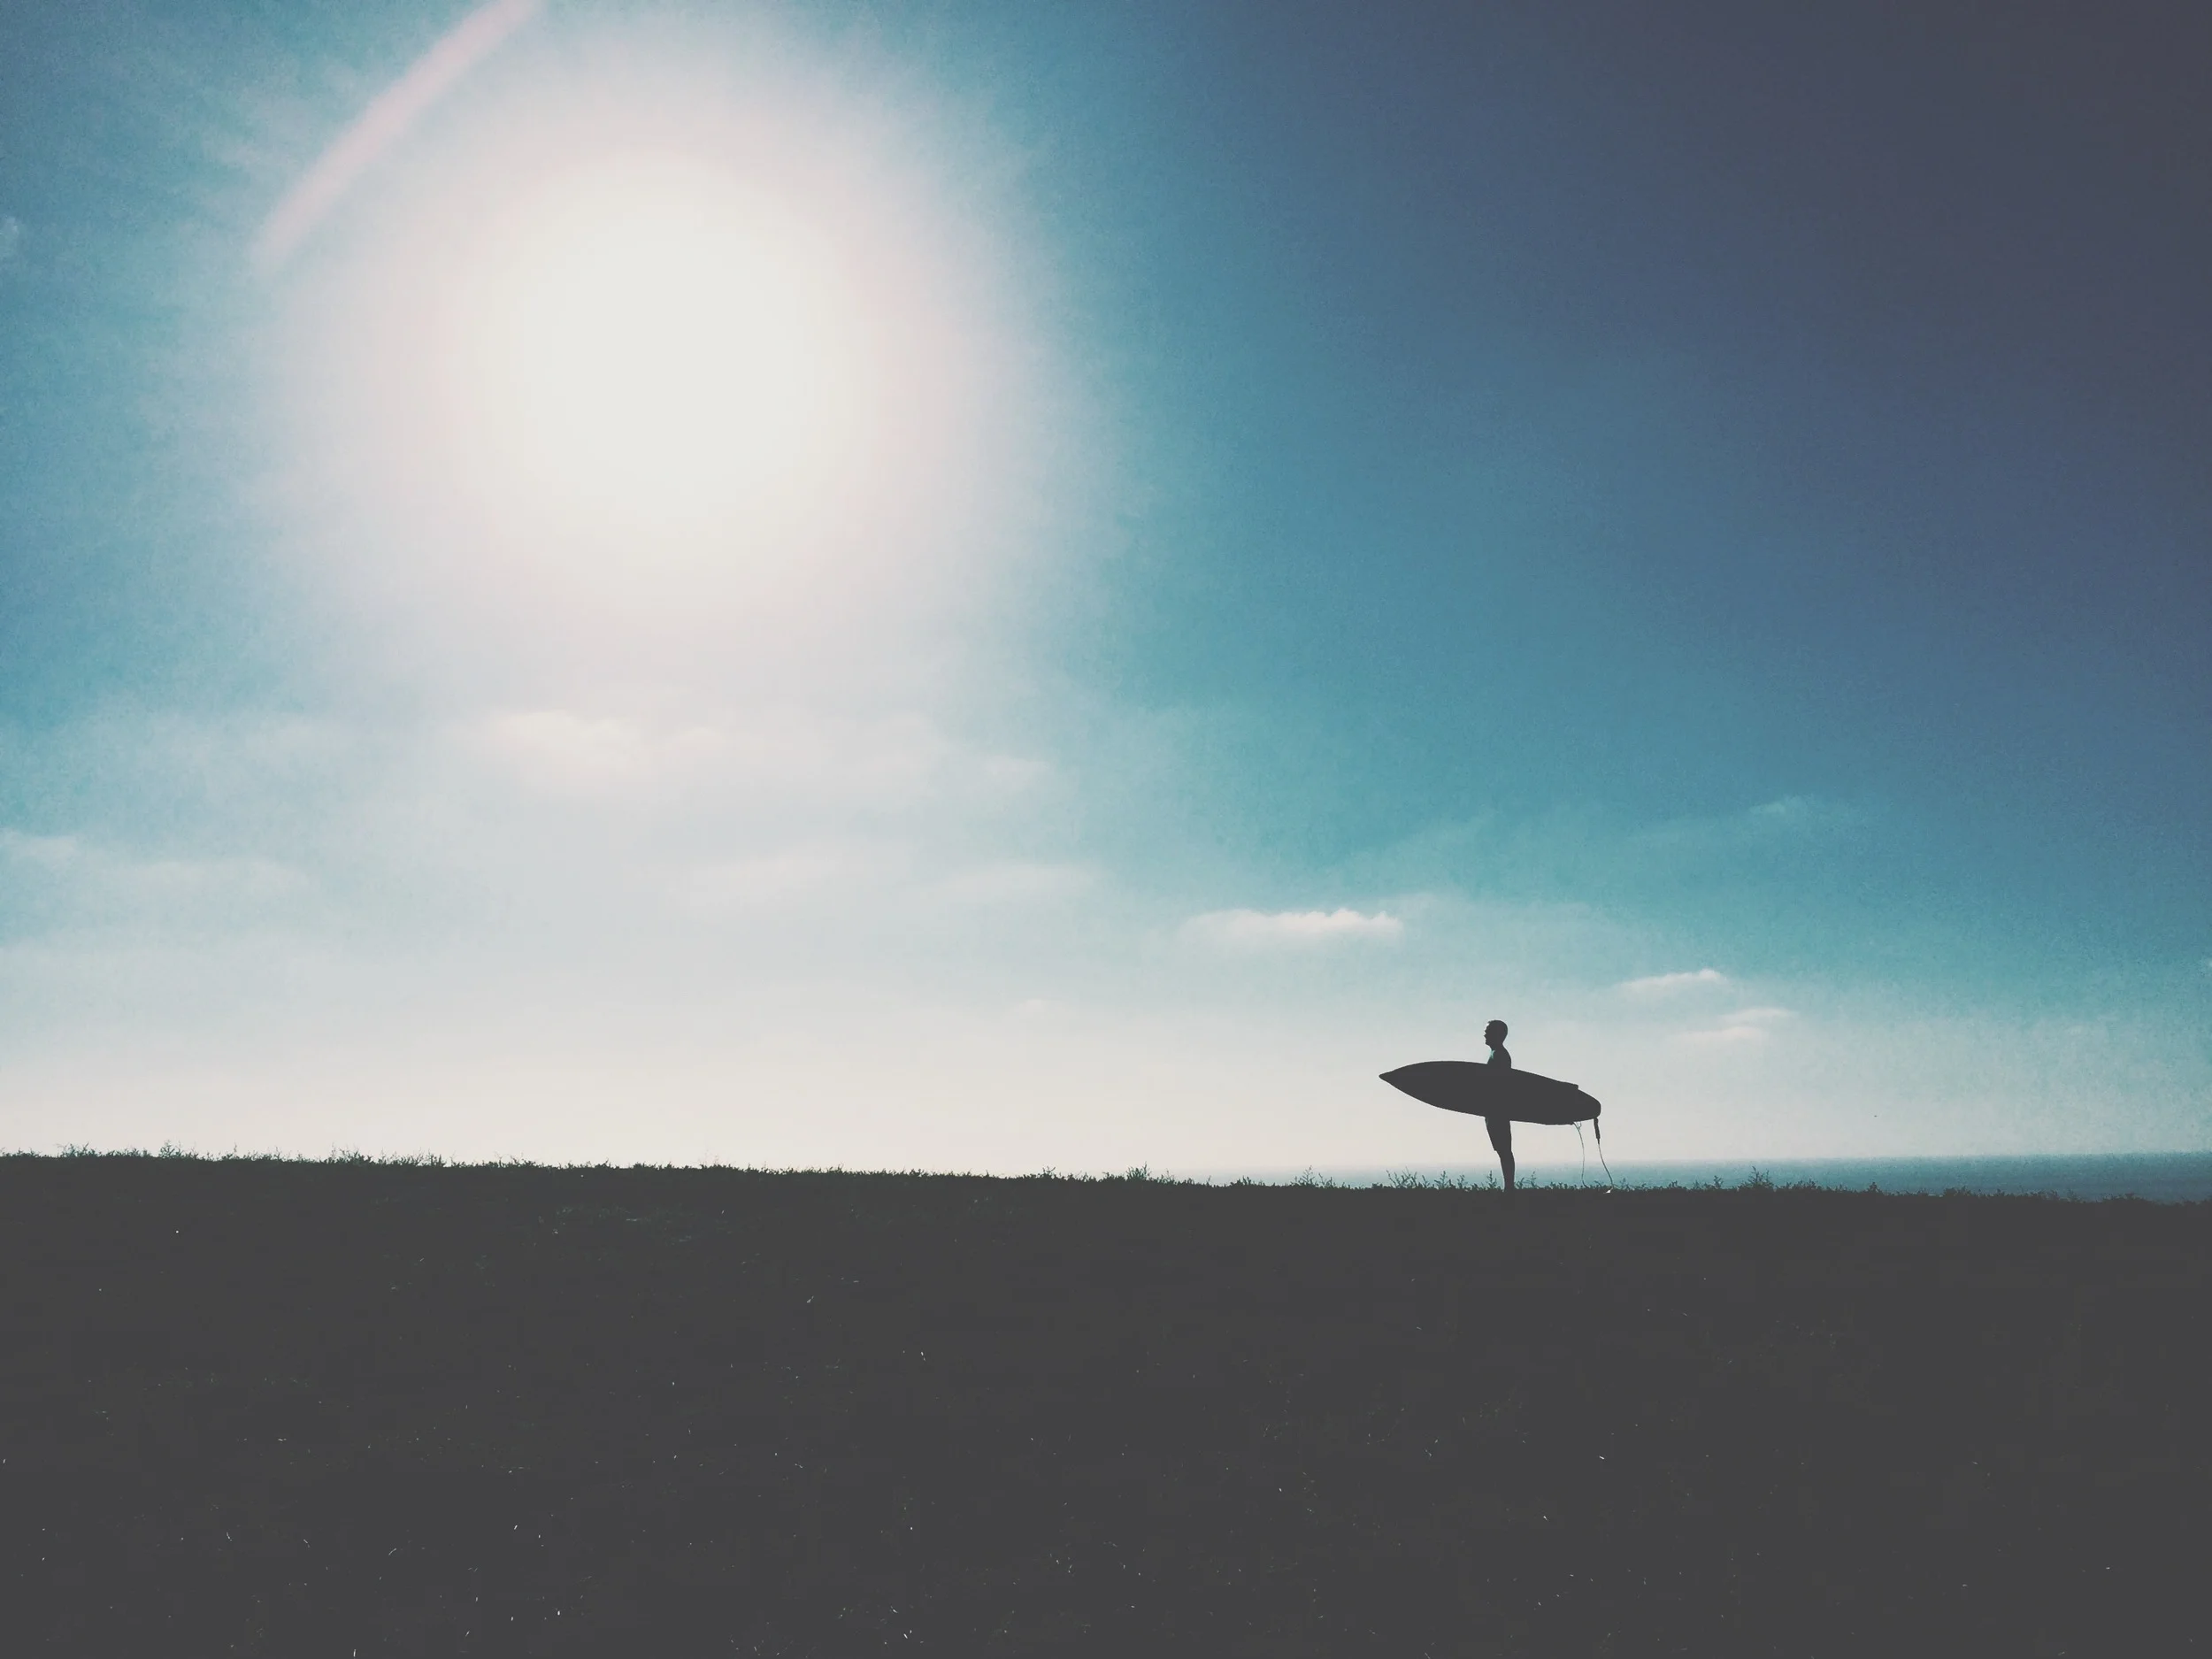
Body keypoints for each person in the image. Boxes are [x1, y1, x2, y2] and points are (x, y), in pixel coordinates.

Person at [1483, 1018, 1516, 1192]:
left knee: (1504, 1150)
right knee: (1502, 1150)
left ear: (1498, 1034)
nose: (1485, 1034)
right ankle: (1509, 1187)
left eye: (1488, 1031)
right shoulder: (1496, 1053)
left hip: (1498, 1110)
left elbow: (1500, 1084)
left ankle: (1509, 1188)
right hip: (1494, 1110)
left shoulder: (1500, 1055)